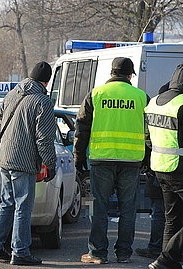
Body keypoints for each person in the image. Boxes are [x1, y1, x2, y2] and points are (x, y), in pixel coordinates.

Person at [74, 57, 148, 264]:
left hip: (101, 159)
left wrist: (79, 157)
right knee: (128, 208)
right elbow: (150, 131)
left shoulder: (96, 94)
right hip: (132, 161)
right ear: (130, 74)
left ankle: (97, 253)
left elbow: (81, 128)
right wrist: (148, 160)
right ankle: (124, 253)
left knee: (96, 206)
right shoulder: (141, 97)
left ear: (111, 73)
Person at [0, 61, 57, 266]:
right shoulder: (42, 102)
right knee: (23, 206)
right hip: (22, 161)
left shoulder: (12, 94)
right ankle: (21, 251)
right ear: (46, 81)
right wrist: (50, 163)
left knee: (7, 202)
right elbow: (44, 138)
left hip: (3, 158)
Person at [145, 64, 183, 269]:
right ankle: (167, 259)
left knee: (173, 219)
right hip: (179, 167)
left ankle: (169, 262)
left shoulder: (155, 102)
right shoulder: (182, 104)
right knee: (173, 218)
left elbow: (148, 139)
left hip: (160, 166)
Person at [135, 82, 169, 260]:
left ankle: (156, 248)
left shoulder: (154, 107)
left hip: (157, 167)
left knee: (159, 212)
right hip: (171, 167)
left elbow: (147, 138)